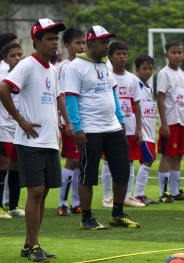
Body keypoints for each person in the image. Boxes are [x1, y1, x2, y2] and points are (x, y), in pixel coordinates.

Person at [0, 18, 66, 262]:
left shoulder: (53, 69)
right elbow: (3, 90)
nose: (54, 42)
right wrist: (21, 121)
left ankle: (30, 244)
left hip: (48, 140)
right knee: (36, 190)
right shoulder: (27, 65)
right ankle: (34, 246)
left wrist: (66, 124)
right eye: (49, 38)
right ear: (36, 41)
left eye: (56, 38)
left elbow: (57, 97)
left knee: (44, 192)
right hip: (30, 141)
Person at [64, 25, 140, 230]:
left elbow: (113, 92)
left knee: (123, 171)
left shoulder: (106, 64)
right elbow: (71, 98)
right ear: (90, 43)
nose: (106, 46)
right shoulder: (75, 66)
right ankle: (86, 217)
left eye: (107, 42)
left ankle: (117, 214)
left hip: (113, 127)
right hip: (89, 129)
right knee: (88, 174)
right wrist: (78, 128)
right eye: (102, 42)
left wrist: (121, 119)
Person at [101, 40, 145, 208]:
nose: (122, 57)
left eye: (125, 54)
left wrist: (139, 128)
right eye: (118, 54)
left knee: (130, 161)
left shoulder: (132, 79)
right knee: (107, 160)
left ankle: (127, 197)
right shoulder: (106, 75)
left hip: (130, 126)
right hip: (110, 126)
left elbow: (137, 104)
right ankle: (107, 197)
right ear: (110, 56)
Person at [0, 43, 25, 218]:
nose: (18, 58)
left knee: (17, 167)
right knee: (3, 165)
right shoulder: (1, 77)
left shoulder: (26, 76)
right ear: (5, 60)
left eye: (20, 54)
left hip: (21, 129)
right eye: (13, 55)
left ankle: (13, 205)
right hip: (5, 129)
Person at [156, 40, 184, 203]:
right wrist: (164, 123)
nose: (177, 55)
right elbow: (160, 98)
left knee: (179, 156)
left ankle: (175, 191)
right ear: (166, 55)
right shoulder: (164, 73)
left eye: (180, 52)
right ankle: (164, 193)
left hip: (183, 121)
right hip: (170, 121)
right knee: (167, 156)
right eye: (174, 52)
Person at [56, 28, 86, 216]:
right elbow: (61, 95)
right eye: (77, 43)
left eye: (83, 42)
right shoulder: (64, 67)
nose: (82, 46)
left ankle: (76, 203)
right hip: (70, 121)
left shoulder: (85, 65)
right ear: (67, 46)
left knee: (81, 161)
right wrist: (67, 122)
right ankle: (62, 203)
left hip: (84, 121)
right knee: (72, 160)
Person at [131, 54, 159, 205]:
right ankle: (137, 195)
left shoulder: (148, 86)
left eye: (150, 68)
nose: (148, 71)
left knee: (148, 160)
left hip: (149, 130)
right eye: (144, 68)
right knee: (148, 160)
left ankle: (138, 194)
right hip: (141, 130)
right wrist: (138, 128)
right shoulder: (136, 84)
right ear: (137, 69)